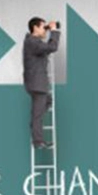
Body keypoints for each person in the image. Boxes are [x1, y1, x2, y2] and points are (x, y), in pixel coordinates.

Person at [23, 17, 60, 149]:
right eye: (43, 27)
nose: (45, 30)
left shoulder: (33, 42)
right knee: (37, 114)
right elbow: (53, 47)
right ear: (35, 27)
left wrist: (49, 31)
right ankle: (38, 141)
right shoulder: (32, 42)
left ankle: (35, 123)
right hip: (37, 84)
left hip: (38, 83)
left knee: (47, 103)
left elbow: (47, 48)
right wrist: (54, 31)